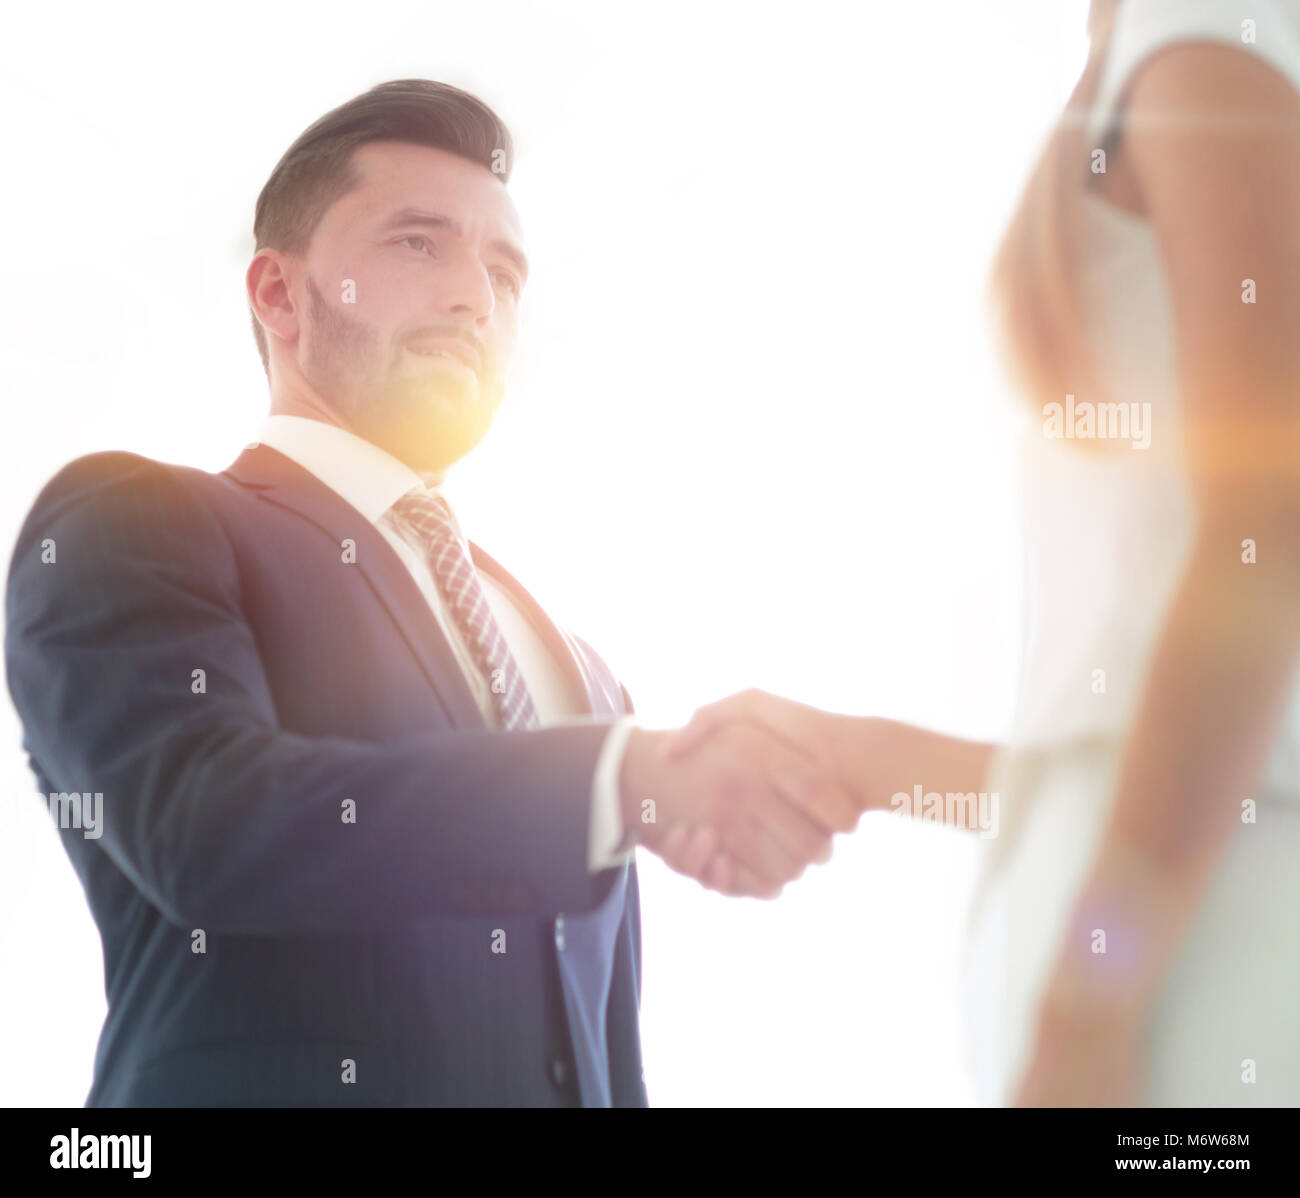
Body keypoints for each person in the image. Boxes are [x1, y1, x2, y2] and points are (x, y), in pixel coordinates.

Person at [3, 79, 859, 1107]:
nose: (474, 298)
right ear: (278, 295)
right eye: (418, 244)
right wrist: (613, 780)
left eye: (504, 272)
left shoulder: (579, 664)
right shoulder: (131, 521)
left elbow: (600, 1043)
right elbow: (205, 825)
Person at [665, 0, 1300, 1105]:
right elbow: (1116, 764)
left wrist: (1087, 1009)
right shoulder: (1155, 44)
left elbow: (1266, 536)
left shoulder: (1202, 30)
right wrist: (866, 762)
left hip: (1195, 977)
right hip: (1159, 951)